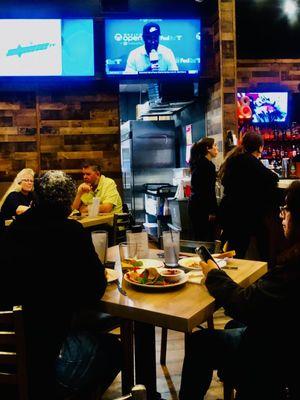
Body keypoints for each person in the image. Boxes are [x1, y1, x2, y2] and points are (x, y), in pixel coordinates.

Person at [0, 170, 121, 400]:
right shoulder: (72, 232)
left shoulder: (13, 229)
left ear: (36, 198)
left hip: (10, 351)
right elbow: (93, 291)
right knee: (113, 349)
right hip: (48, 359)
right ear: (67, 205)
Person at [179, 180, 300, 400]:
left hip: (277, 353)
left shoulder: (293, 269)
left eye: (286, 209)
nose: (281, 216)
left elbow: (244, 304)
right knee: (235, 325)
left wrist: (213, 275)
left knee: (199, 342)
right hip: (287, 339)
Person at [218, 131, 279, 259]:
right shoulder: (252, 162)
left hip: (230, 212)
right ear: (260, 147)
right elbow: (272, 178)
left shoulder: (233, 160)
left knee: (236, 249)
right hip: (247, 214)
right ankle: (265, 271)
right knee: (263, 243)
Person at [188, 137, 219, 241]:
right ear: (208, 149)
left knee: (198, 238)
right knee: (207, 239)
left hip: (194, 205)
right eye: (215, 146)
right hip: (203, 207)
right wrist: (212, 211)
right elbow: (209, 190)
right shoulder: (208, 166)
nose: (217, 148)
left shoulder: (197, 163)